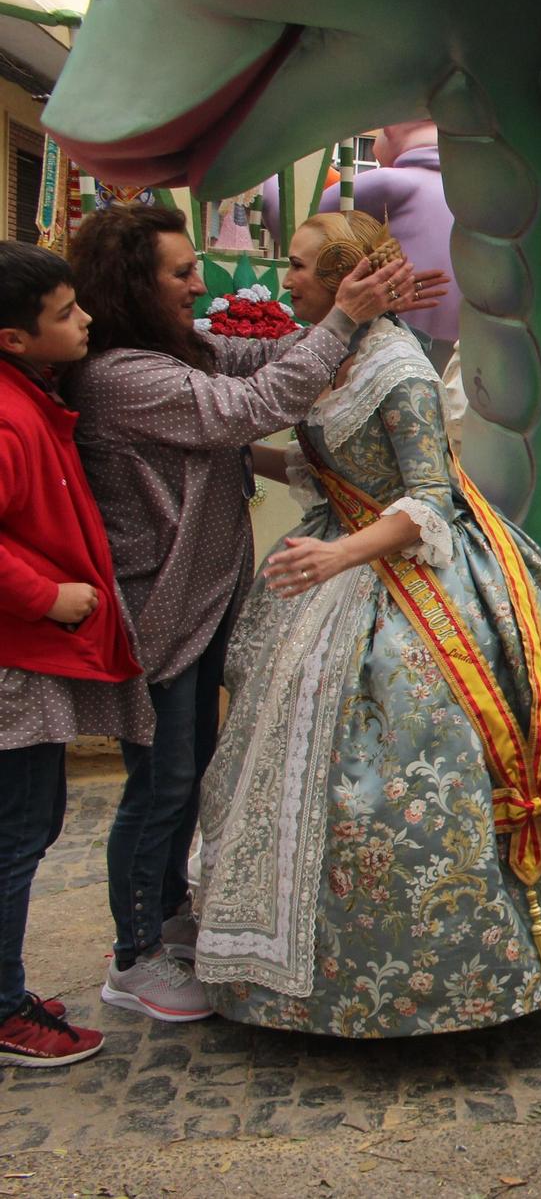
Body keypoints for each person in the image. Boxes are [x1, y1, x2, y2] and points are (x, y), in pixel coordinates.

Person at [193, 211, 541, 1035]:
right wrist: (237, 452)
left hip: (415, 572)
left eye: (304, 266)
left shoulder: (399, 371)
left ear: (348, 275)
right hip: (341, 556)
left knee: (443, 750)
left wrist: (337, 555)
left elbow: (428, 498)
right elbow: (321, 460)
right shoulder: (323, 348)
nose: (289, 280)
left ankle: (491, 962)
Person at [65, 203, 426, 1023]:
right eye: (183, 273)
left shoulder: (177, 347)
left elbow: (267, 354)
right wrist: (344, 318)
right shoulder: (123, 373)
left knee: (185, 774)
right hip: (158, 607)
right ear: (135, 284)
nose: (204, 283)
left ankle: (165, 918)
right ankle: (134, 955)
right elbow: (249, 405)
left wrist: (364, 312)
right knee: (158, 785)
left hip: (199, 597)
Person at [0, 243, 153, 1068]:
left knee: (28, 823)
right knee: (19, 831)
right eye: (64, 313)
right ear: (14, 337)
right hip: (17, 651)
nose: (84, 319)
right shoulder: (7, 411)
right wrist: (45, 596)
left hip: (29, 647)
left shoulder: (31, 395)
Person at [318, 122, 460, 366]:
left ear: (391, 130)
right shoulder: (467, 194)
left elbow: (310, 223)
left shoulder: (390, 182)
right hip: (462, 336)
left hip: (400, 336)